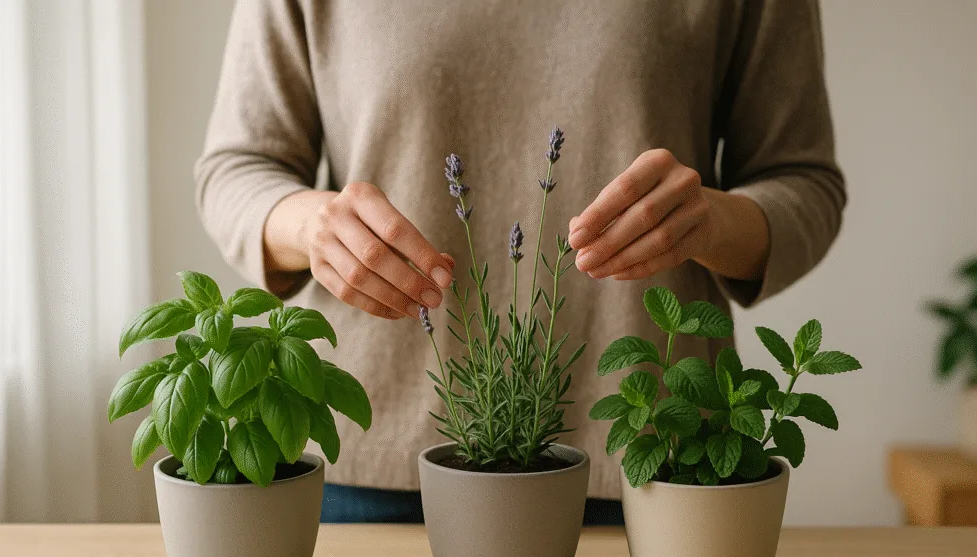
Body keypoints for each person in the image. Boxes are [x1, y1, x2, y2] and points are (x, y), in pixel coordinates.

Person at [195, 0, 844, 523]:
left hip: (650, 459)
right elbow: (236, 169)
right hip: (378, 466)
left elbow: (804, 182)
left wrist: (711, 220)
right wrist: (312, 225)